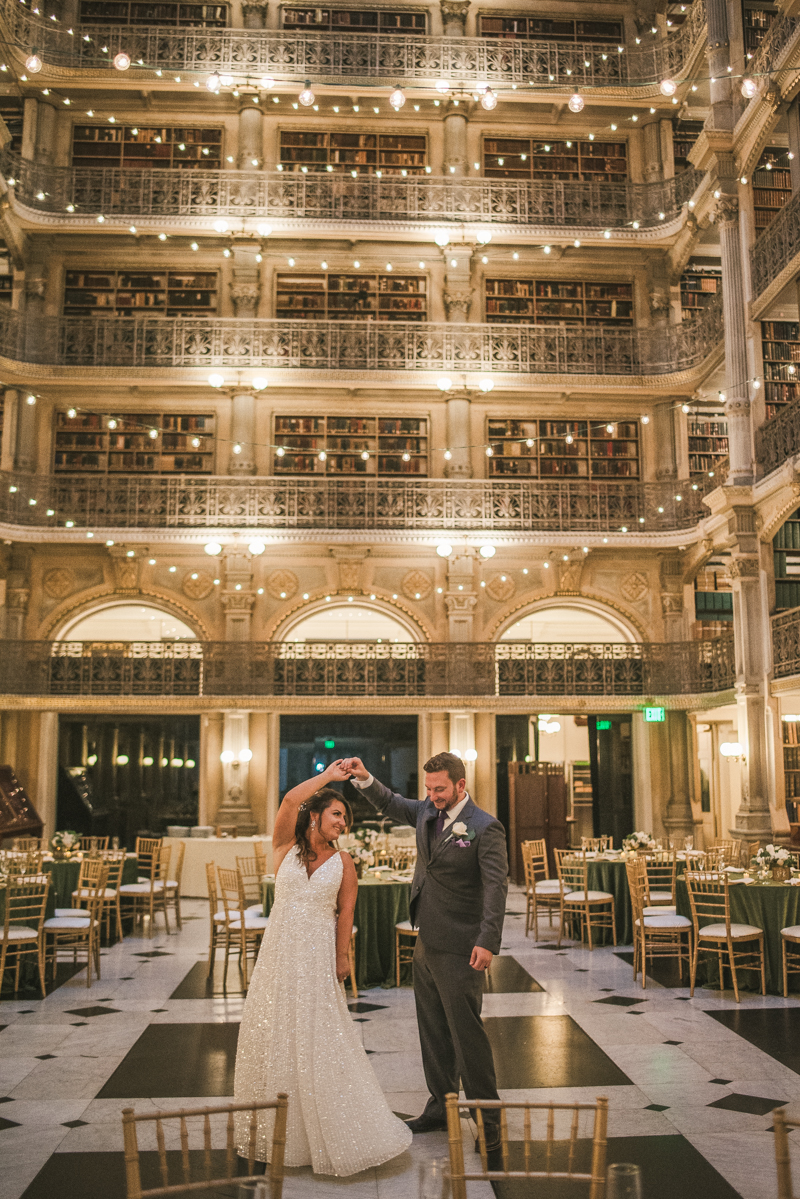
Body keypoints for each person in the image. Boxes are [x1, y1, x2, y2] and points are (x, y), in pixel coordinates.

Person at [233, 760, 412, 1176]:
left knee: (318, 1036)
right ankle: (283, 1129)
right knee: (276, 1031)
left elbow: (346, 912)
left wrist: (342, 957)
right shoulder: (283, 848)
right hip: (279, 955)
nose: (343, 823)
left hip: (315, 956)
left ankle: (330, 1128)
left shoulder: (344, 862)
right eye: (337, 814)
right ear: (315, 816)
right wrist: (330, 779)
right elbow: (291, 798)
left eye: (345, 818)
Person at [343, 751, 508, 1150]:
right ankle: (440, 1105)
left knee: (466, 1035)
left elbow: (495, 888)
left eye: (440, 789)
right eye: (429, 789)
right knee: (433, 1031)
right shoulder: (425, 812)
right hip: (427, 939)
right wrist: (364, 777)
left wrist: (487, 940)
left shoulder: (485, 828)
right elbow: (388, 801)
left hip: (462, 945)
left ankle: (489, 1119)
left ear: (460, 786)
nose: (433, 795)